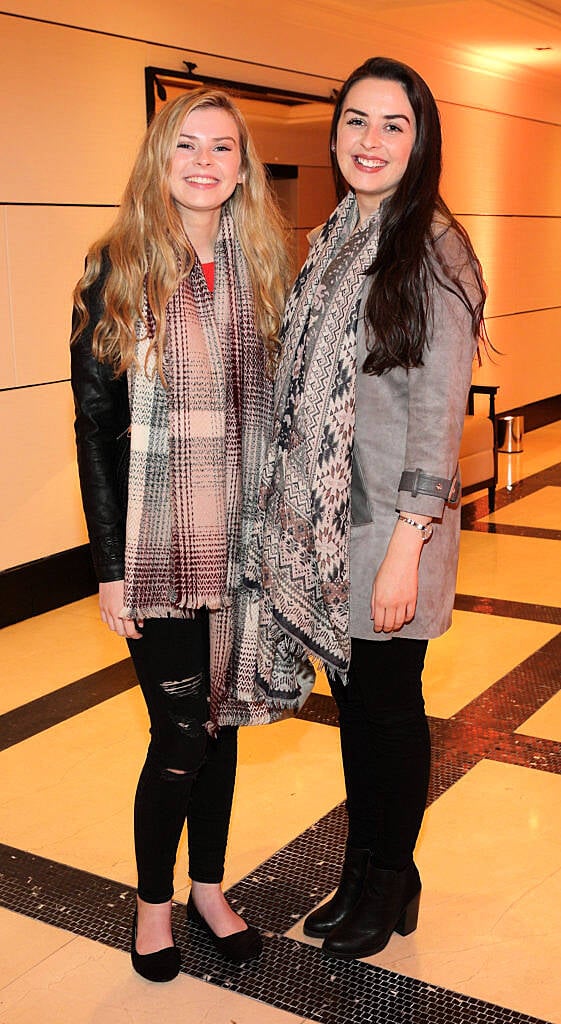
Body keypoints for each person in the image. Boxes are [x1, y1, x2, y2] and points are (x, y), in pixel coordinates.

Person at [248, 56, 487, 960]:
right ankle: (373, 868)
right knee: (359, 709)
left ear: (420, 139)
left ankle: (385, 882)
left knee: (388, 708)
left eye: (394, 124)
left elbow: (435, 411)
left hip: (394, 526)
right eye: (356, 120)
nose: (371, 140)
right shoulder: (336, 233)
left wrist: (405, 546)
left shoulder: (431, 245)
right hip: (328, 526)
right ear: (335, 130)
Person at [70, 88, 290, 981]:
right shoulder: (114, 267)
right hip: (159, 555)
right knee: (180, 738)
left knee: (225, 724)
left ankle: (209, 887)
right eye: (186, 146)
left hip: (242, 547)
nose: (204, 162)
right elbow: (93, 425)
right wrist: (110, 568)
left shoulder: (266, 267)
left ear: (242, 168)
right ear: (159, 160)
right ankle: (152, 904)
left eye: (223, 149)